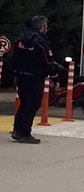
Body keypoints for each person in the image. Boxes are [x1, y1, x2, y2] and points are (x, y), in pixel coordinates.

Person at [10, 16, 61, 144]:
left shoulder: (20, 40)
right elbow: (48, 62)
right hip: (35, 77)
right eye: (45, 27)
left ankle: (17, 130)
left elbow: (13, 58)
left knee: (24, 103)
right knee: (32, 104)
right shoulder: (40, 42)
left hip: (21, 76)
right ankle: (25, 133)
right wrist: (55, 78)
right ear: (41, 28)